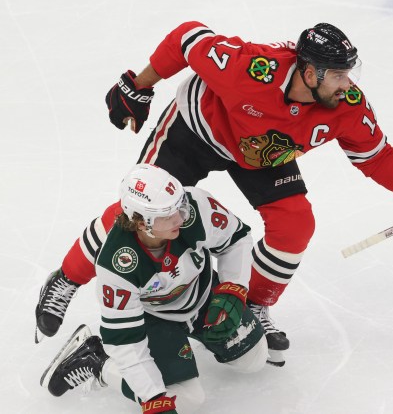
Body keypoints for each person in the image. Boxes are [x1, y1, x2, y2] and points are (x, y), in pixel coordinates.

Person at [35, 22, 393, 363]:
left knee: (295, 224)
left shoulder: (345, 104)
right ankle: (67, 278)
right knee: (145, 210)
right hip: (196, 130)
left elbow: (376, 155)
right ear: (309, 70)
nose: (347, 84)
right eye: (339, 75)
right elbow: (187, 38)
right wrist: (141, 82)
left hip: (262, 154)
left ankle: (255, 306)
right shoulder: (251, 67)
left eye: (349, 73)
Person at [40, 163, 268, 414]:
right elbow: (125, 339)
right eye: (168, 214)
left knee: (254, 359)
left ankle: (195, 337)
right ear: (140, 222)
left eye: (179, 206)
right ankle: (95, 361)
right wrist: (152, 397)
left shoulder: (195, 206)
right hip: (156, 319)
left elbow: (235, 239)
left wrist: (232, 288)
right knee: (190, 401)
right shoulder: (117, 265)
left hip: (203, 295)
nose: (181, 217)